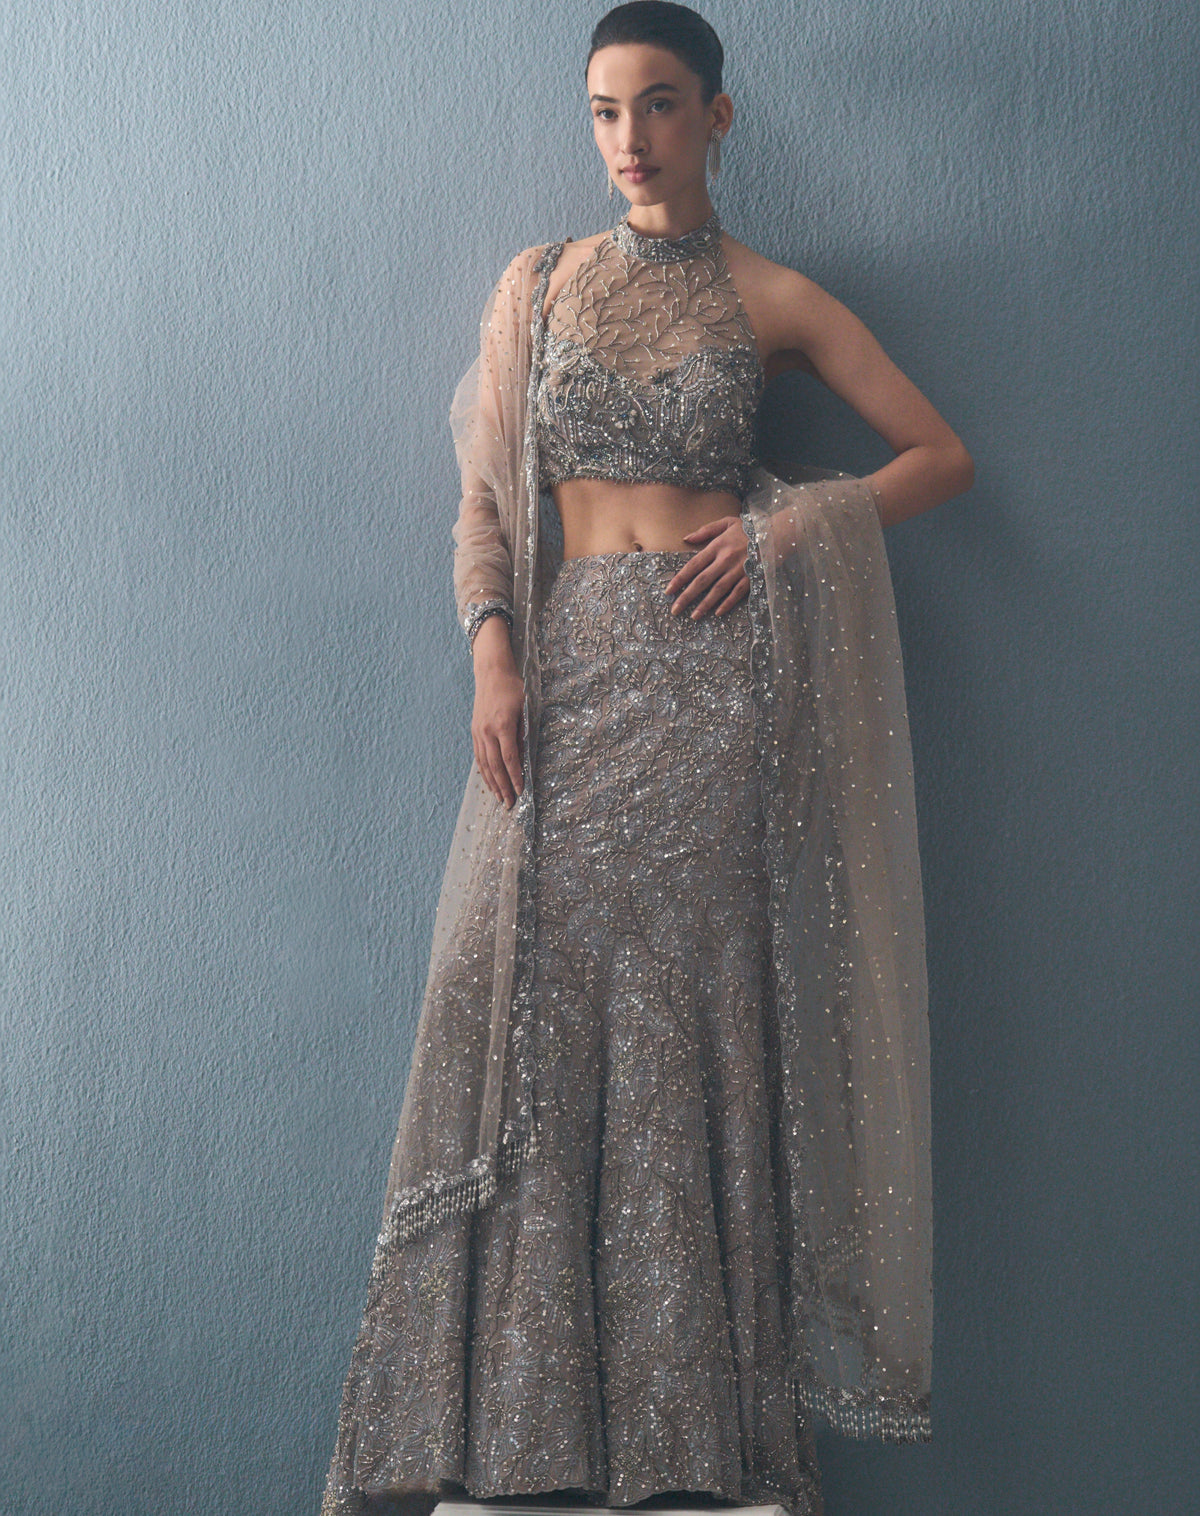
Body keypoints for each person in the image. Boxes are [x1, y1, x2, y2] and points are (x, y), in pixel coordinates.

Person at [320, 5, 973, 1514]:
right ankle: (510, 1439)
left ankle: (700, 1447)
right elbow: (486, 500)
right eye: (606, 111)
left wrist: (784, 530)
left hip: (711, 701)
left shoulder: (773, 297)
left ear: (717, 117)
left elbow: (938, 456)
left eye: (661, 105)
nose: (629, 139)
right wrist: (495, 656)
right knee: (515, 1009)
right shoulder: (539, 285)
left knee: (700, 1027)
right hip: (566, 682)